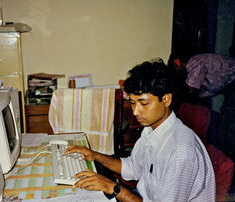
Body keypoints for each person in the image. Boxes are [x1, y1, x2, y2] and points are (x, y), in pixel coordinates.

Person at [65, 59, 216, 201]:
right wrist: (95, 156)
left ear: (166, 100)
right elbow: (133, 168)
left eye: (144, 103)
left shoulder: (181, 150)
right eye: (132, 103)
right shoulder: (152, 129)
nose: (136, 112)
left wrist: (113, 188)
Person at [185, 53, 235, 160]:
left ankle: (228, 160)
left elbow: (191, 89)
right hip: (230, 85)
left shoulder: (193, 63)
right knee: (226, 120)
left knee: (227, 123)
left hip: (233, 83)